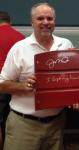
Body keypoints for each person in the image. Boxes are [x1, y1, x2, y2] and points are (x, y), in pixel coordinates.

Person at [0, 3, 73, 150]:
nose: (45, 22)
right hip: (24, 125)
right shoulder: (19, 48)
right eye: (40, 18)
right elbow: (1, 85)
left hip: (56, 124)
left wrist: (76, 96)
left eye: (49, 18)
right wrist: (24, 86)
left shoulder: (66, 45)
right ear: (32, 22)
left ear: (54, 22)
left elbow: (72, 81)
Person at [0, 11, 25, 149]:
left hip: (1, 83)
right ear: (9, 21)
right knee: (11, 117)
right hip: (15, 85)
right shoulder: (20, 37)